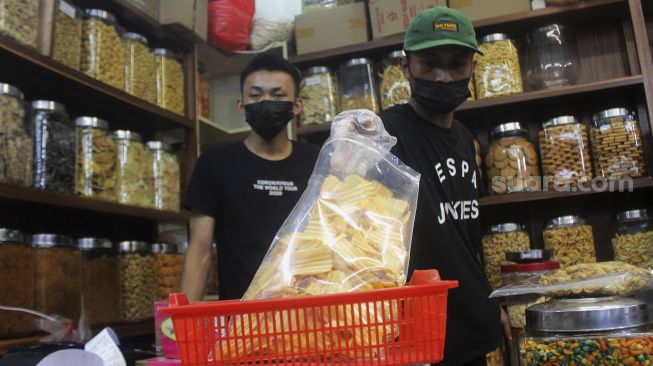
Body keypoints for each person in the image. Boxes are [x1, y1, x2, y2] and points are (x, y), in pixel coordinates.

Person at [378, 6, 510, 366]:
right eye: (429, 62)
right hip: (415, 336)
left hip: (472, 326)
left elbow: (463, 233)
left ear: (473, 67)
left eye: (457, 64)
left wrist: (488, 301)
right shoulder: (382, 135)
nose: (443, 76)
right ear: (406, 67)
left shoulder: (466, 138)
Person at [181, 54, 320, 301]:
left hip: (310, 314)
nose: (266, 102)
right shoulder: (214, 162)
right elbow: (200, 250)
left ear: (296, 106)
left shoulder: (318, 161)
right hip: (240, 320)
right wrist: (179, 325)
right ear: (241, 105)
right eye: (255, 96)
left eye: (278, 95)